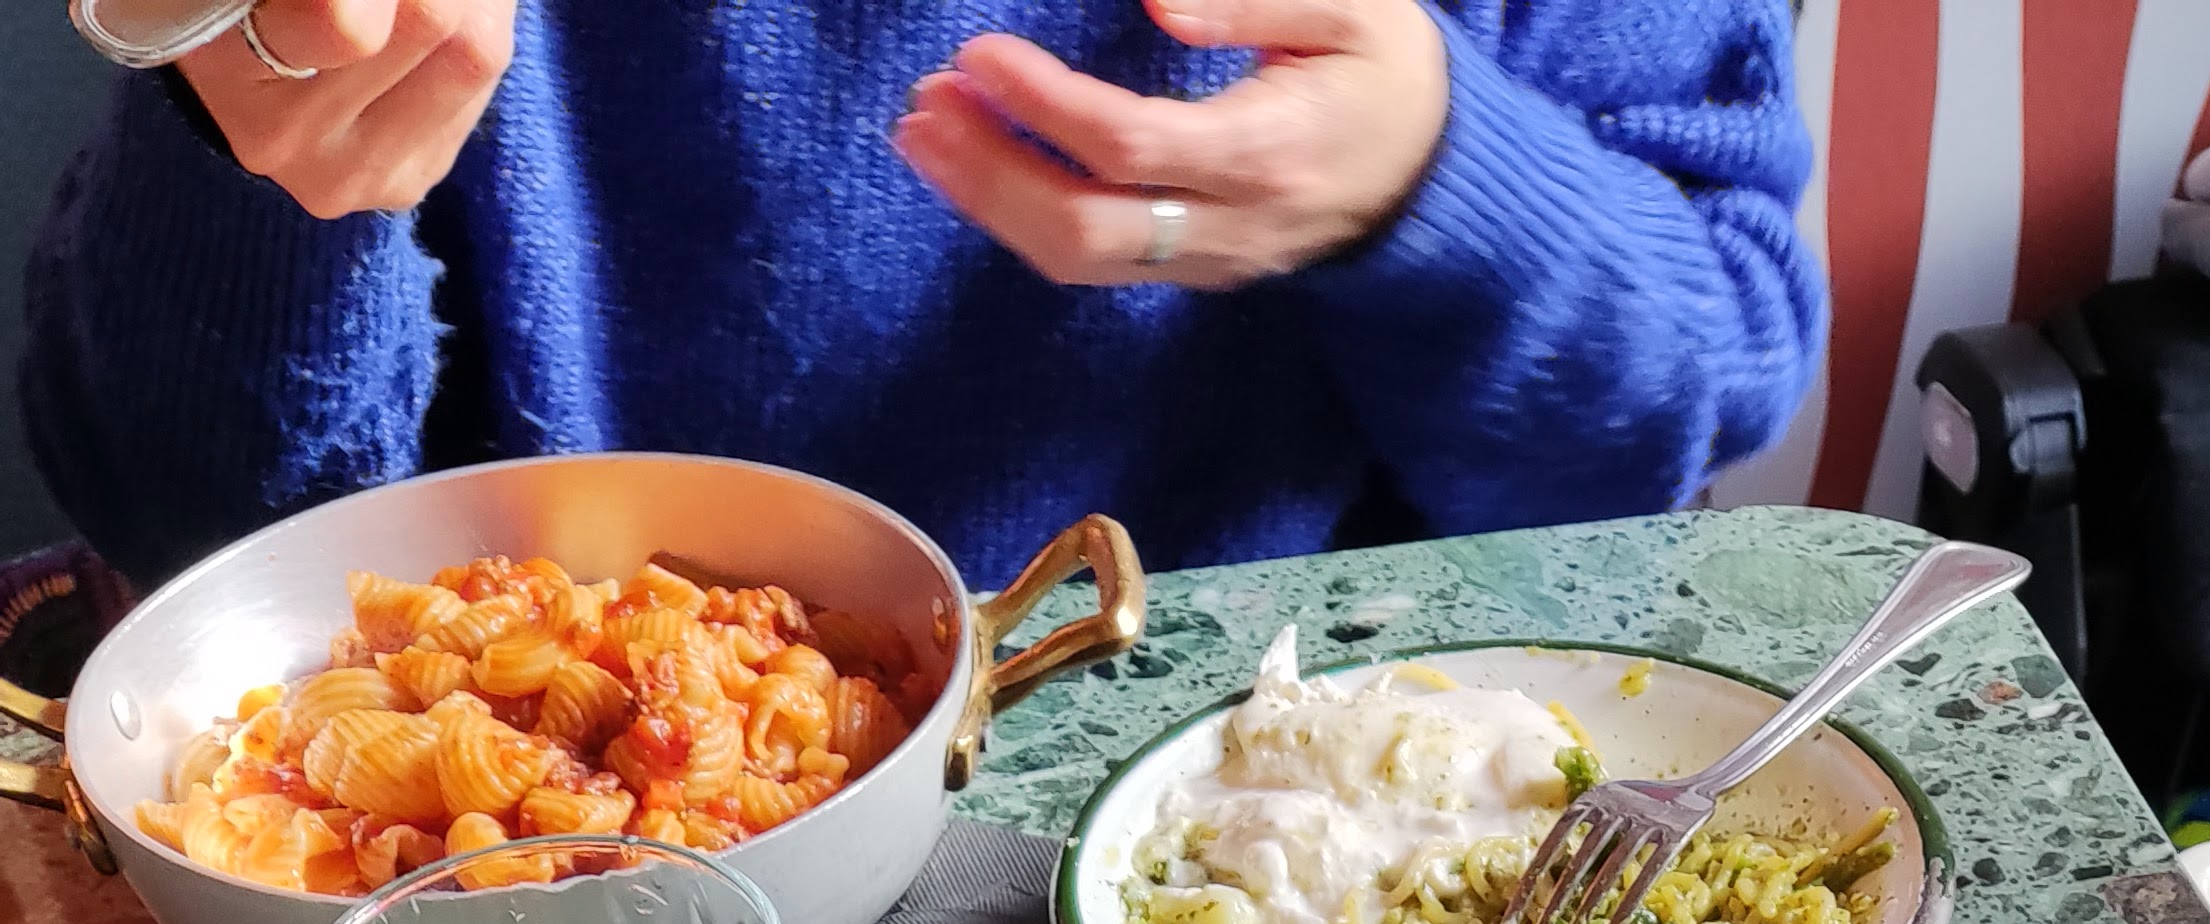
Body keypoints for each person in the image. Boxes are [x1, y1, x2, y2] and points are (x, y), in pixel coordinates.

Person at [22, 0, 1823, 593]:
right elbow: (209, 548)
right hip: (586, 908)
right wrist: (243, 125)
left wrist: (1436, 183)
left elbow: (1684, 407)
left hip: (1316, 857)